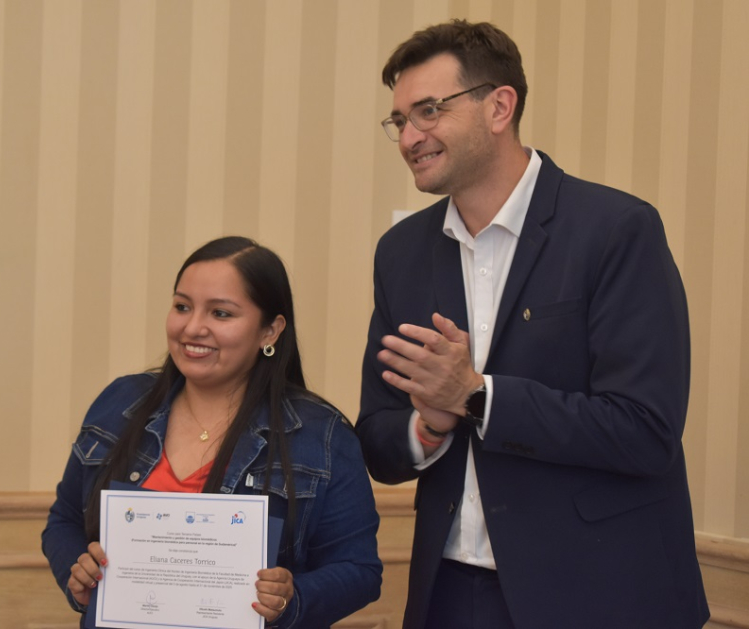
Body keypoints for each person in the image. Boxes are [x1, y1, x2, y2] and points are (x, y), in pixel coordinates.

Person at [356, 19, 708, 629]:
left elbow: (646, 430)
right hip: (446, 594)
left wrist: (475, 396)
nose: (410, 136)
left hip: (596, 593)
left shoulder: (616, 231)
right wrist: (427, 426)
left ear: (499, 106)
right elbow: (380, 442)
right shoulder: (401, 253)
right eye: (400, 121)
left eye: (429, 111)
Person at [43, 236, 382, 628]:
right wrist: (79, 574)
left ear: (270, 331)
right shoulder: (120, 403)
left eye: (220, 314)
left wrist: (293, 596)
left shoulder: (320, 434)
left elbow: (359, 570)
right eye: (182, 306)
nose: (192, 327)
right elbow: (64, 519)